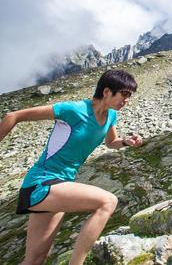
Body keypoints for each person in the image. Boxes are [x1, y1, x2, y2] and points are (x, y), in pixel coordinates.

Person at [0, 69, 144, 265]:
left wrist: (126, 142)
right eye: (124, 94)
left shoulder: (110, 116)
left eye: (130, 96)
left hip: (60, 184)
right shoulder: (73, 110)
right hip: (41, 182)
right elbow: (13, 116)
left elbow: (111, 142)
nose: (127, 100)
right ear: (107, 92)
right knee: (107, 202)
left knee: (35, 259)